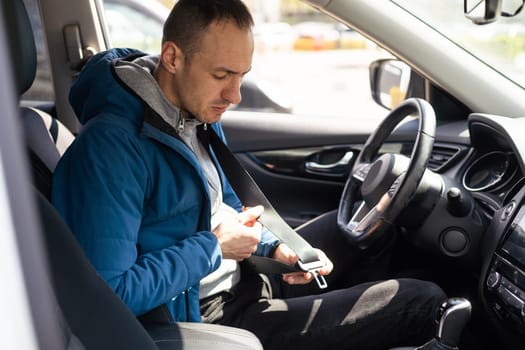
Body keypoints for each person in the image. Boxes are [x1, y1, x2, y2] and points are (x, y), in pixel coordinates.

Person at [52, 0, 447, 349]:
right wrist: (213, 248)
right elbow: (108, 296)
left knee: (372, 233)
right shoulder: (112, 151)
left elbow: (229, 204)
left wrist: (275, 248)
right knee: (421, 302)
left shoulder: (194, 116)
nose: (235, 95)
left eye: (242, 75)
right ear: (172, 58)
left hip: (233, 273)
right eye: (222, 75)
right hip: (204, 316)